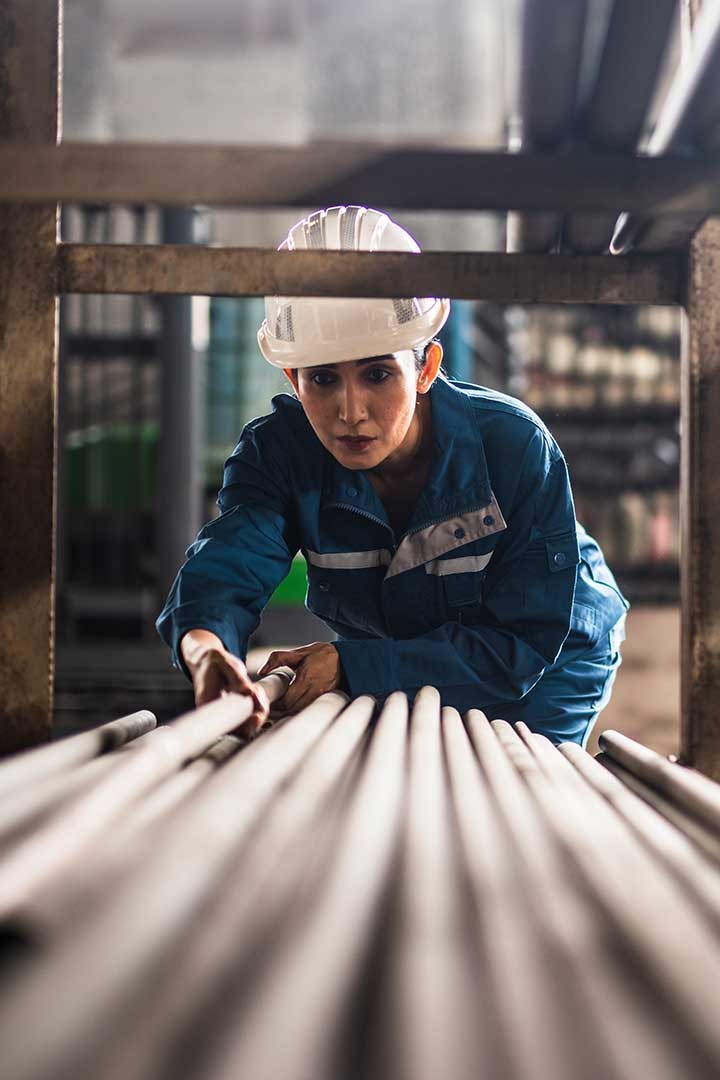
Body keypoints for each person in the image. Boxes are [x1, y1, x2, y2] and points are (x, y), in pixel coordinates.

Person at [156, 205, 628, 744]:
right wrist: (206, 649)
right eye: (323, 379)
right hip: (403, 645)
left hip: (549, 657)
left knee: (508, 788)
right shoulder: (279, 455)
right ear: (292, 378)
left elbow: (519, 648)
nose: (350, 411)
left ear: (425, 368)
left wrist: (356, 666)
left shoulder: (513, 446)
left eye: (378, 374)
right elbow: (227, 565)